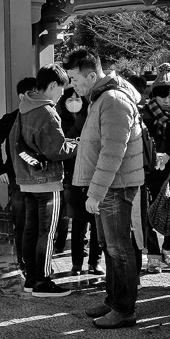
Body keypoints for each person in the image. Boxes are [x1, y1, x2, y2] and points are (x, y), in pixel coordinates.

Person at [64, 48, 145, 329]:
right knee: (110, 247)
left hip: (114, 186)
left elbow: (113, 152)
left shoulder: (111, 100)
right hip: (110, 184)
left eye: (74, 79)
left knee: (118, 248)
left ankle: (124, 308)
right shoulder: (102, 98)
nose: (72, 85)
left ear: (90, 74)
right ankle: (114, 301)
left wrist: (96, 192)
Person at [8, 65, 77, 298]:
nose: (61, 95)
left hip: (27, 180)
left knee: (31, 231)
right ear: (53, 85)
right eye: (61, 89)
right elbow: (56, 150)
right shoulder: (47, 111)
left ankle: (30, 279)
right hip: (47, 181)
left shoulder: (24, 107)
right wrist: (76, 146)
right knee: (46, 233)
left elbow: (15, 142)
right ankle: (43, 282)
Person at [140, 64, 170, 273]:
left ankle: (169, 251)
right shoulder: (144, 115)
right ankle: (152, 255)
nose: (167, 100)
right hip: (148, 169)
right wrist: (154, 154)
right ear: (155, 96)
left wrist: (169, 153)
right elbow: (140, 141)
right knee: (148, 211)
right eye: (163, 96)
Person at [0, 77, 36, 276]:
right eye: (33, 93)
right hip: (16, 178)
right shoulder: (10, 118)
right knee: (22, 222)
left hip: (39, 178)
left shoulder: (42, 116)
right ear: (22, 96)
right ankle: (23, 262)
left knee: (38, 223)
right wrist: (0, 170)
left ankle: (37, 262)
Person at [58, 87, 103, 277]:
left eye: (78, 98)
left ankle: (95, 262)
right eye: (70, 98)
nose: (74, 102)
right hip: (73, 179)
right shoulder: (59, 121)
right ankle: (76, 263)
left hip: (95, 177)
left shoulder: (92, 118)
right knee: (78, 223)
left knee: (96, 223)